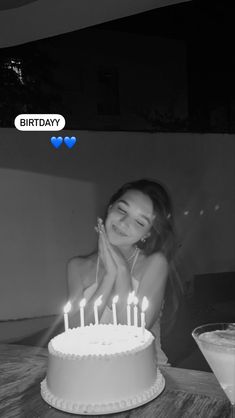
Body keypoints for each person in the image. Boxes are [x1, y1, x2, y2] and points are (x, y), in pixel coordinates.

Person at [67, 178, 181, 365]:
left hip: (145, 373)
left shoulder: (155, 263)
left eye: (139, 222)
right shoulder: (77, 266)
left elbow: (133, 333)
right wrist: (108, 277)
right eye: (122, 210)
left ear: (147, 234)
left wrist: (120, 270)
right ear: (110, 207)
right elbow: (73, 331)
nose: (124, 223)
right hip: (89, 370)